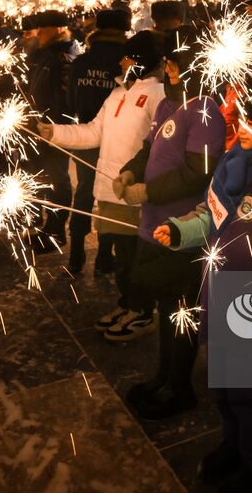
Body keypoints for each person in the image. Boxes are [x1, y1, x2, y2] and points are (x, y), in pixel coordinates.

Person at [154, 95, 252, 489]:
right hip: (219, 291)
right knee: (224, 386)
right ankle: (233, 446)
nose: (243, 127)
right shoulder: (230, 164)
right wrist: (178, 231)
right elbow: (211, 216)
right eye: (244, 119)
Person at [115, 32, 226, 417]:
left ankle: (179, 386)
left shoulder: (205, 109)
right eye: (169, 63)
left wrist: (149, 191)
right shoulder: (168, 104)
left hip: (182, 228)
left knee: (180, 308)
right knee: (165, 304)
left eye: (176, 63)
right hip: (155, 224)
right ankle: (163, 376)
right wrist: (130, 173)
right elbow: (149, 148)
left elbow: (200, 172)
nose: (169, 70)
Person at [38, 30, 164, 332]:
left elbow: (159, 147)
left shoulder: (157, 95)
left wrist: (146, 182)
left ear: (141, 61)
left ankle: (142, 310)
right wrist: (54, 132)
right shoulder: (118, 93)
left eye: (128, 56)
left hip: (132, 189)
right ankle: (128, 303)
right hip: (108, 188)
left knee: (133, 257)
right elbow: (94, 132)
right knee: (122, 258)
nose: (121, 61)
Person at [66, 8, 132, 274]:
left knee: (83, 191)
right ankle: (105, 256)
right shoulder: (126, 63)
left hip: (85, 137)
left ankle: (76, 253)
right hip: (118, 139)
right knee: (108, 196)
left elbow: (70, 101)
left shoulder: (80, 62)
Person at [25, 10, 81, 244]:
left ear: (58, 29)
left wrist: (54, 125)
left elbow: (66, 98)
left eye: (43, 29)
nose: (38, 33)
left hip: (54, 128)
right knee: (39, 175)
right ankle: (41, 220)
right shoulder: (42, 55)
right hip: (36, 126)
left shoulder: (65, 57)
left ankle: (56, 231)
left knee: (57, 178)